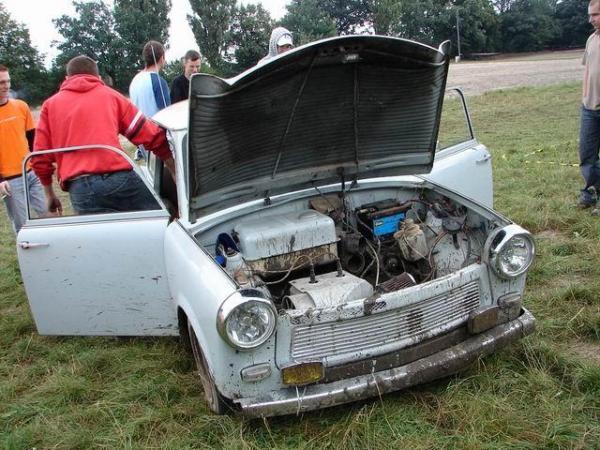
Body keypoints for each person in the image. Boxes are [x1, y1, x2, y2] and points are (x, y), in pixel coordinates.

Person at [32, 55, 175, 215]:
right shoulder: (112, 96)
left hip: (79, 187)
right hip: (118, 179)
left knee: (99, 231)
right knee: (161, 218)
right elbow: (150, 135)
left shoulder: (50, 106)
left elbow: (39, 158)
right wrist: (173, 169)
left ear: (67, 78)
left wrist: (49, 194)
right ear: (98, 77)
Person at [0, 64, 47, 234]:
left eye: (8, 81)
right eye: (1, 82)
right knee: (22, 225)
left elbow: (32, 139)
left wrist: (38, 164)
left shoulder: (21, 106)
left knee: (47, 216)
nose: (6, 86)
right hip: (10, 180)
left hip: (31, 173)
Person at [129, 41, 171, 160]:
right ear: (162, 58)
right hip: (158, 141)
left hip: (142, 140)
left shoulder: (135, 80)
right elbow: (168, 114)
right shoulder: (158, 81)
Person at [579, 0, 600, 209]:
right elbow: (587, 70)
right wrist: (585, 97)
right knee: (587, 155)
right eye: (590, 15)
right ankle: (590, 193)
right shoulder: (591, 40)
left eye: (595, 14)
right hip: (589, 109)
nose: (590, 19)